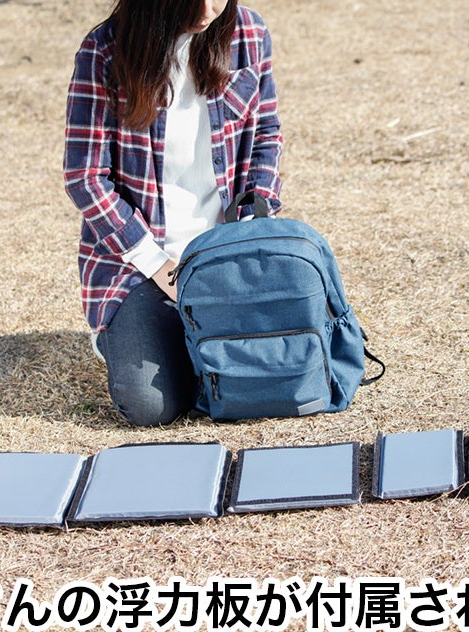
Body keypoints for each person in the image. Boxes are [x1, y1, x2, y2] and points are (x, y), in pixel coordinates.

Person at [63, 0, 283, 426]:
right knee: (151, 406)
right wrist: (159, 266)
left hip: (222, 253)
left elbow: (266, 135)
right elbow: (84, 178)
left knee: (265, 380)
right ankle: (126, 333)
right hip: (142, 264)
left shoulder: (249, 33)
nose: (208, 8)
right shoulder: (104, 51)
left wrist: (250, 228)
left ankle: (186, 337)